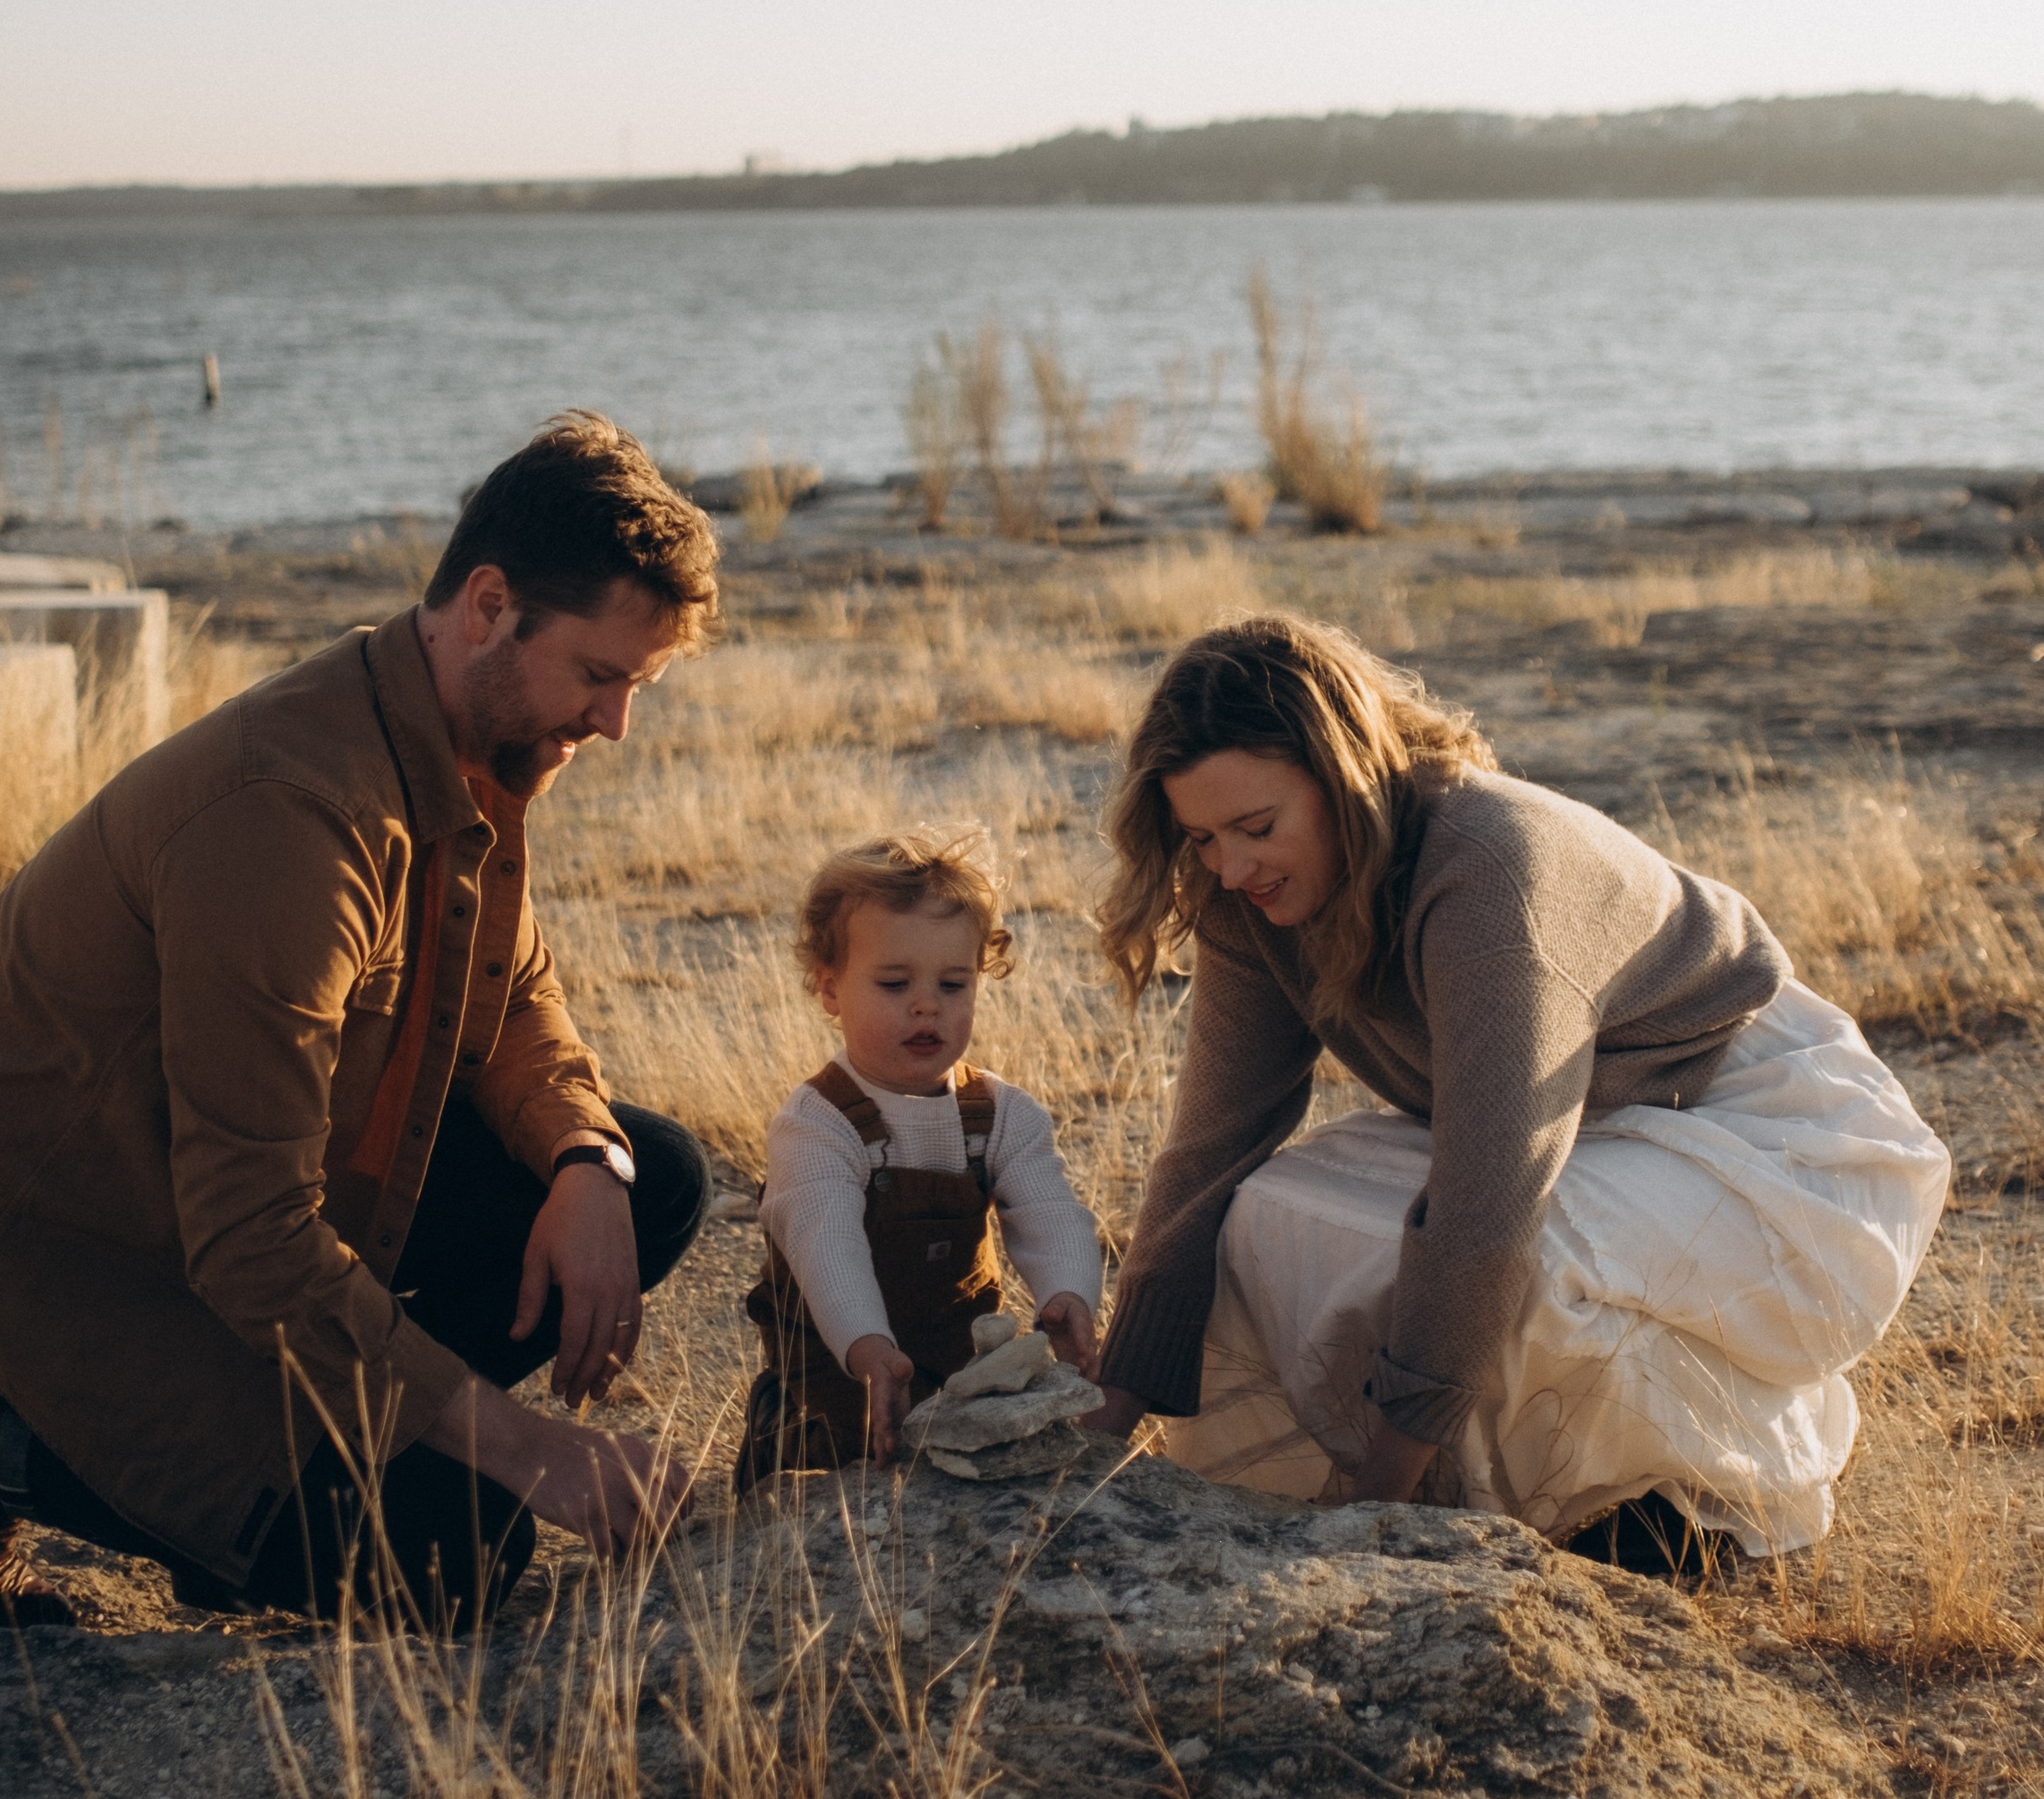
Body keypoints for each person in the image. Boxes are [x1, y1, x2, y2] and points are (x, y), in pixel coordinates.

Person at [0, 413, 719, 1629]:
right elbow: (247, 1241)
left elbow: (510, 991)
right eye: (601, 677)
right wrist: (524, 1447)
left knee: (649, 1175)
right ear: (488, 605)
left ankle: (305, 1477)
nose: (614, 725)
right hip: (79, 1257)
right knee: (450, 1564)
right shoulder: (291, 817)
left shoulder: (473, 734)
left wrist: (582, 1155)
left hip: (221, 1217)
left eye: (636, 686)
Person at [1087, 616, 1949, 1573]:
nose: (1231, 867)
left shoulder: (1486, 872)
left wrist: (1378, 1506)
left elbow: (1486, 1212)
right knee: (1269, 1214)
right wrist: (1103, 1421)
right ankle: (1499, 1500)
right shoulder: (1245, 899)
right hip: (1580, 1125)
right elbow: (1212, 1148)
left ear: (1343, 779)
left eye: (1257, 827)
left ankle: (1693, 1501)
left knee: (1526, 1259)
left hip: (1762, 1119)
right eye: (1201, 837)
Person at [737, 829, 1102, 1486]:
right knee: (835, 1487)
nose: (927, 1004)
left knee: (962, 1475)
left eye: (954, 984)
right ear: (829, 990)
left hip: (956, 1361)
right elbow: (827, 1245)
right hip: (834, 1374)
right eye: (895, 982)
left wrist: (1068, 1292)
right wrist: (867, 1348)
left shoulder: (1000, 1114)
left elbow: (1050, 1209)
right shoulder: (817, 1124)